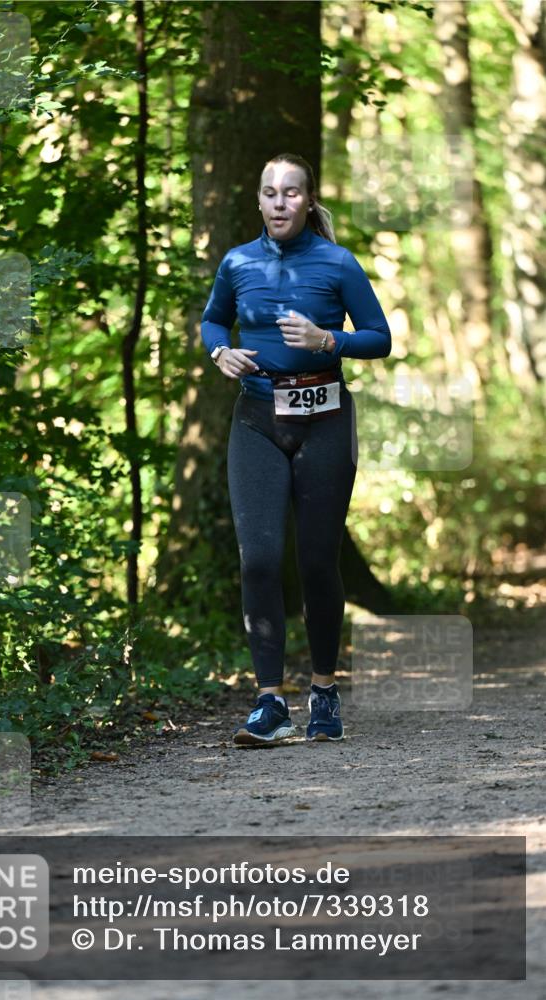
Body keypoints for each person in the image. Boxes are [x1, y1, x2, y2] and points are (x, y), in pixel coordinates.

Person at [200, 152, 392, 747]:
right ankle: (269, 703)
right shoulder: (237, 263)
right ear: (257, 201)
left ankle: (325, 690)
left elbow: (380, 338)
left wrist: (328, 339)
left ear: (308, 200)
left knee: (315, 561)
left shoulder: (337, 263)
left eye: (291, 192)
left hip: (325, 420)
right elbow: (212, 322)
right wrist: (219, 353)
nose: (279, 202)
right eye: (269, 192)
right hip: (257, 420)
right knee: (257, 559)